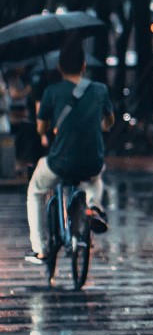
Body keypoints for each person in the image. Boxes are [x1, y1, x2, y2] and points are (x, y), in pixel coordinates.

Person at [25, 41, 114, 264]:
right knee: (95, 177)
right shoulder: (99, 90)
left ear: (60, 68)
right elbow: (109, 122)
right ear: (84, 65)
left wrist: (50, 126)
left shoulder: (51, 91)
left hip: (60, 162)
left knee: (35, 190)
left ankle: (40, 248)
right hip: (92, 161)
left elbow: (40, 129)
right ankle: (93, 206)